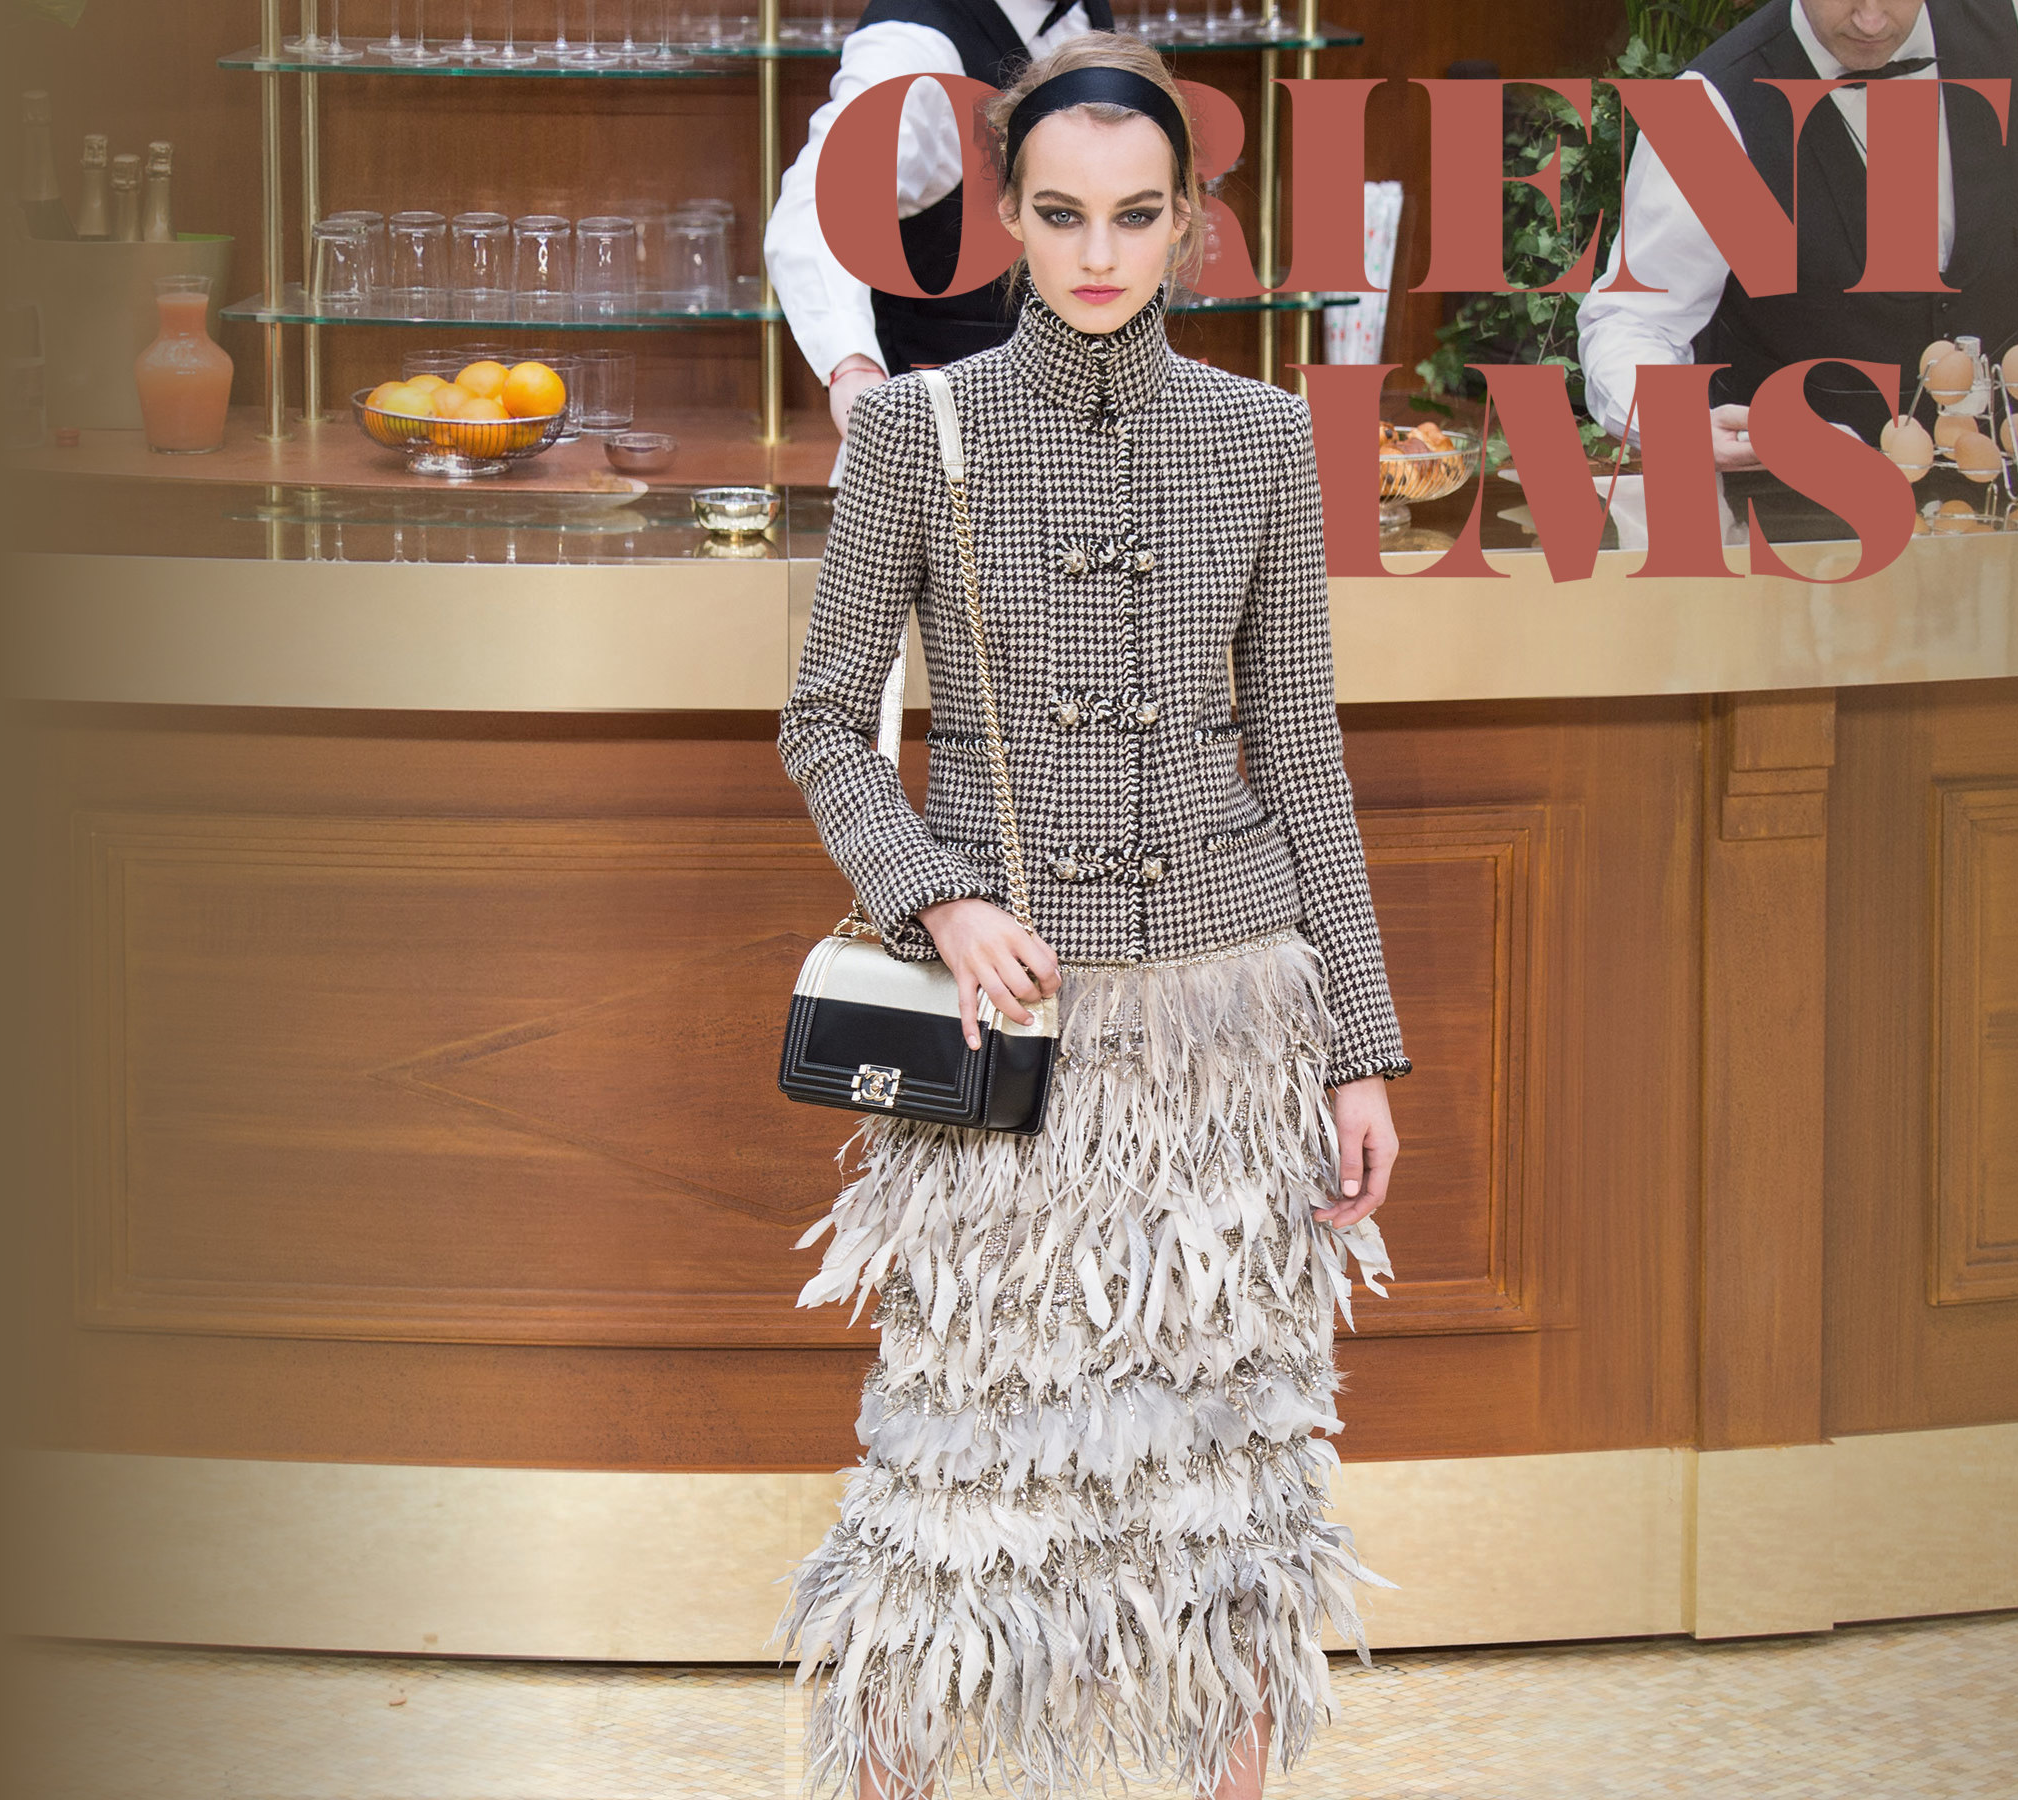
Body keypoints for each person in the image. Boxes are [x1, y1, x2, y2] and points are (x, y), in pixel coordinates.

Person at [770, 32, 1408, 1800]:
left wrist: (1359, 1049)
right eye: (1061, 214)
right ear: (1005, 215)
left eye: (1136, 214)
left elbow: (1301, 753)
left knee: (1230, 1480)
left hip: (1229, 1031)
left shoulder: (1262, 437)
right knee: (958, 1478)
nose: (1100, 251)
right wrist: (937, 898)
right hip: (1012, 1030)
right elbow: (821, 726)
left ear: (1191, 219)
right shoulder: (916, 432)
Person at [1578, 0, 2018, 466]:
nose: (1872, 19)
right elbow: (1633, 320)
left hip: (1995, 504)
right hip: (1797, 525)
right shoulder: (1718, 105)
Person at [765, 1, 1110, 441]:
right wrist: (852, 363)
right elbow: (824, 197)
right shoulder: (912, 43)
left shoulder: (1085, 12)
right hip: (948, 442)